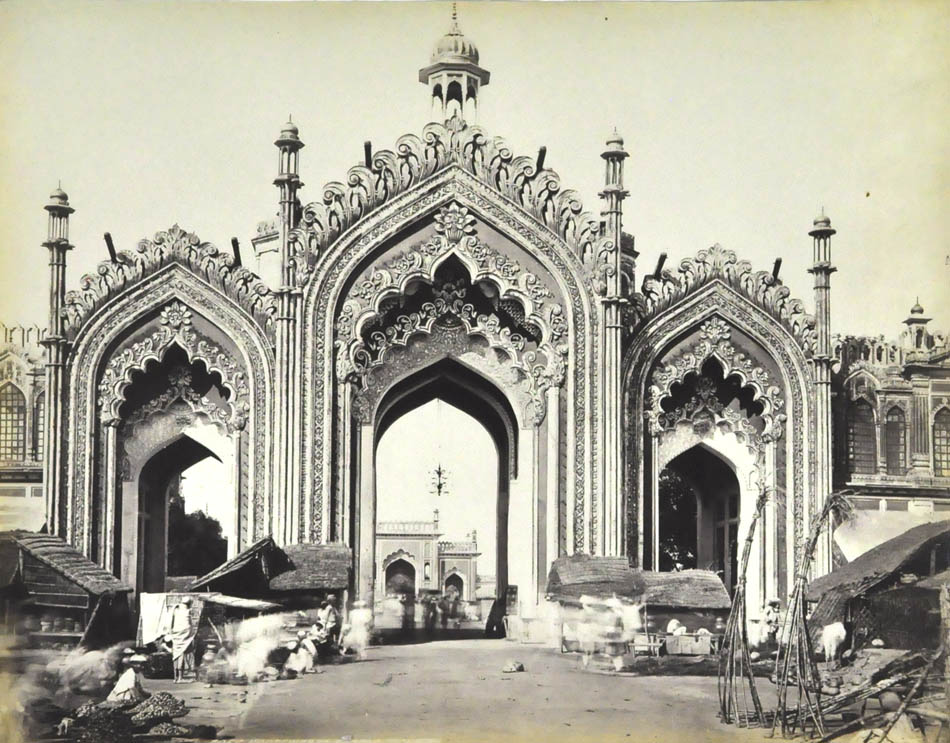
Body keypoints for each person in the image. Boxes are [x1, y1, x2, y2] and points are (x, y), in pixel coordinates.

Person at [169, 596, 196, 683]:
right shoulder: (188, 611)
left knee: (176, 655)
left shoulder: (175, 610)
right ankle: (180, 678)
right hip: (184, 635)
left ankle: (175, 677)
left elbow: (171, 623)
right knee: (181, 654)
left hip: (176, 634)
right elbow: (189, 625)